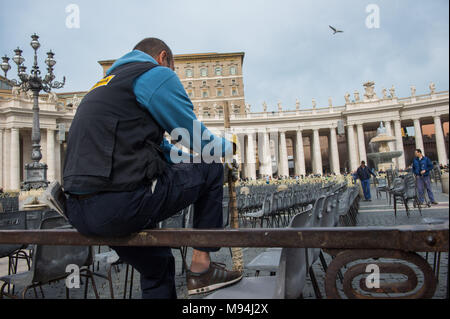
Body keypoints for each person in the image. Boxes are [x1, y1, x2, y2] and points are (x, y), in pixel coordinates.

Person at [62, 38, 242, 299]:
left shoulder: (102, 87)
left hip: (79, 212)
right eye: (173, 68)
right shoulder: (155, 74)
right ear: (163, 57)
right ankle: (201, 266)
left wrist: (189, 160)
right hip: (120, 204)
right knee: (212, 166)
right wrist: (229, 149)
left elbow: (162, 150)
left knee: (157, 264)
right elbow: (195, 139)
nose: (172, 75)